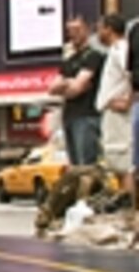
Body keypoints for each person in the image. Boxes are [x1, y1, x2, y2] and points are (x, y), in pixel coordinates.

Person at [49, 15, 105, 166]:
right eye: (69, 31)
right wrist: (69, 84)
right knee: (75, 167)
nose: (73, 34)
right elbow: (52, 88)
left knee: (86, 165)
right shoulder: (69, 60)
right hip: (69, 116)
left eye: (77, 29)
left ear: (87, 30)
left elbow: (77, 88)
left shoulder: (94, 56)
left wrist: (66, 85)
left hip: (87, 116)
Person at [94, 13, 131, 197]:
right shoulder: (115, 50)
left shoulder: (121, 49)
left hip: (118, 114)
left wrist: (128, 101)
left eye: (99, 28)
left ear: (109, 29)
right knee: (117, 164)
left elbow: (132, 74)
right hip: (111, 112)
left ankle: (131, 210)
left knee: (124, 165)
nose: (97, 32)